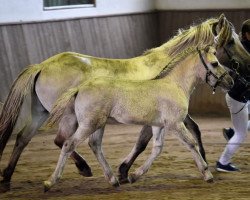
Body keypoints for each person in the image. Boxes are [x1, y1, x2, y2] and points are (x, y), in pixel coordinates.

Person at [217, 19, 250, 172]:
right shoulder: (245, 48)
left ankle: (232, 132)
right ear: (246, 34)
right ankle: (223, 163)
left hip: (242, 96)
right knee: (241, 134)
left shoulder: (239, 46)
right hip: (239, 98)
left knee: (240, 129)